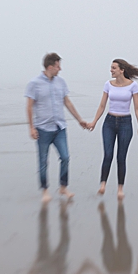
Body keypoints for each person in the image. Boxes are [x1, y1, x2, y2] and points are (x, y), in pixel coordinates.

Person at [25, 53, 88, 203]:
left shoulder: (61, 82)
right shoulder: (34, 83)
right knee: (43, 161)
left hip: (60, 127)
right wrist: (31, 128)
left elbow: (67, 102)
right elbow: (29, 107)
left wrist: (79, 120)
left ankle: (63, 187)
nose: (60, 69)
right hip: (42, 129)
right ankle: (45, 190)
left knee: (65, 157)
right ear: (50, 67)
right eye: (58, 66)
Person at [87, 58, 138, 200]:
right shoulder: (108, 85)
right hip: (109, 122)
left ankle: (120, 188)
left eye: (113, 68)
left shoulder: (133, 86)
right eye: (111, 68)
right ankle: (103, 185)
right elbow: (102, 106)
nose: (111, 70)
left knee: (121, 157)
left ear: (121, 70)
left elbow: (137, 107)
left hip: (125, 123)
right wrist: (94, 121)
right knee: (107, 154)